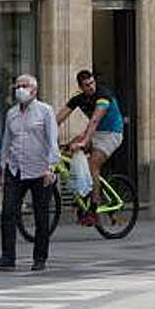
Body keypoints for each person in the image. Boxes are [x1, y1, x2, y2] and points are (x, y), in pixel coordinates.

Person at [0, 74, 59, 272]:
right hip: (16, 168)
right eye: (17, 86)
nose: (19, 89)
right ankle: (8, 256)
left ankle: (39, 258)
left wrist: (51, 167)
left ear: (34, 90)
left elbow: (52, 141)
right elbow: (6, 141)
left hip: (40, 170)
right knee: (8, 212)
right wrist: (3, 165)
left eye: (24, 86)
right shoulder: (11, 113)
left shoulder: (45, 111)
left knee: (41, 215)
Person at [56, 69, 124, 226]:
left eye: (92, 83)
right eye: (87, 85)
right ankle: (84, 191)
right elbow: (58, 118)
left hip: (112, 133)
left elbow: (94, 120)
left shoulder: (103, 96)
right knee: (67, 151)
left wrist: (85, 140)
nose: (92, 87)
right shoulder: (79, 99)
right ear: (81, 87)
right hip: (96, 133)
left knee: (92, 164)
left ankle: (93, 208)